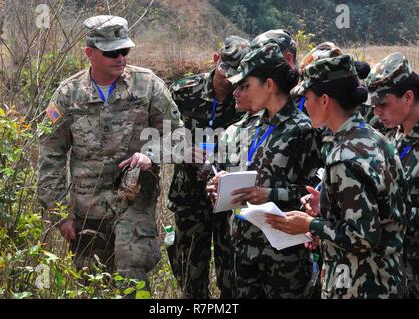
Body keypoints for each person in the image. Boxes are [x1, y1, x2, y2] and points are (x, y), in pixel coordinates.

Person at [37, 15, 184, 296]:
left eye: (124, 50)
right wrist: (60, 214)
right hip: (87, 210)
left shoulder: (148, 86)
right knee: (92, 284)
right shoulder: (68, 95)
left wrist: (150, 154)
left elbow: (178, 136)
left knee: (131, 278)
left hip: (134, 203)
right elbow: (50, 153)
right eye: (111, 52)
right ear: (90, 53)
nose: (120, 58)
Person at [266, 54, 409, 298]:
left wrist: (310, 224)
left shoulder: (344, 157)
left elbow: (362, 237)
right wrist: (326, 205)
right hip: (389, 278)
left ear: (324, 100)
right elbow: (382, 209)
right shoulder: (375, 138)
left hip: (360, 284)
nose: (304, 105)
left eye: (307, 98)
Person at [208, 43, 323, 298]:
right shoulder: (249, 126)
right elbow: (235, 173)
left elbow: (315, 194)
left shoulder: (303, 129)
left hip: (283, 255)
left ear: (269, 85)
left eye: (246, 85)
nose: (240, 91)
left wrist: (269, 194)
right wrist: (220, 185)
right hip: (242, 247)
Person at [166, 35, 250, 299]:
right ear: (216, 60)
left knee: (232, 275)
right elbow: (160, 132)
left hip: (228, 197)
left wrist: (222, 158)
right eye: (226, 70)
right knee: (190, 273)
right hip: (189, 196)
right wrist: (181, 150)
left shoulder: (247, 100)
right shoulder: (184, 91)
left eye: (239, 76)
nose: (230, 80)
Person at [366, 52, 419, 298]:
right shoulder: (394, 138)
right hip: (396, 268)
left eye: (383, 104)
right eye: (374, 105)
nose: (377, 112)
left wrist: (383, 213)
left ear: (408, 97)